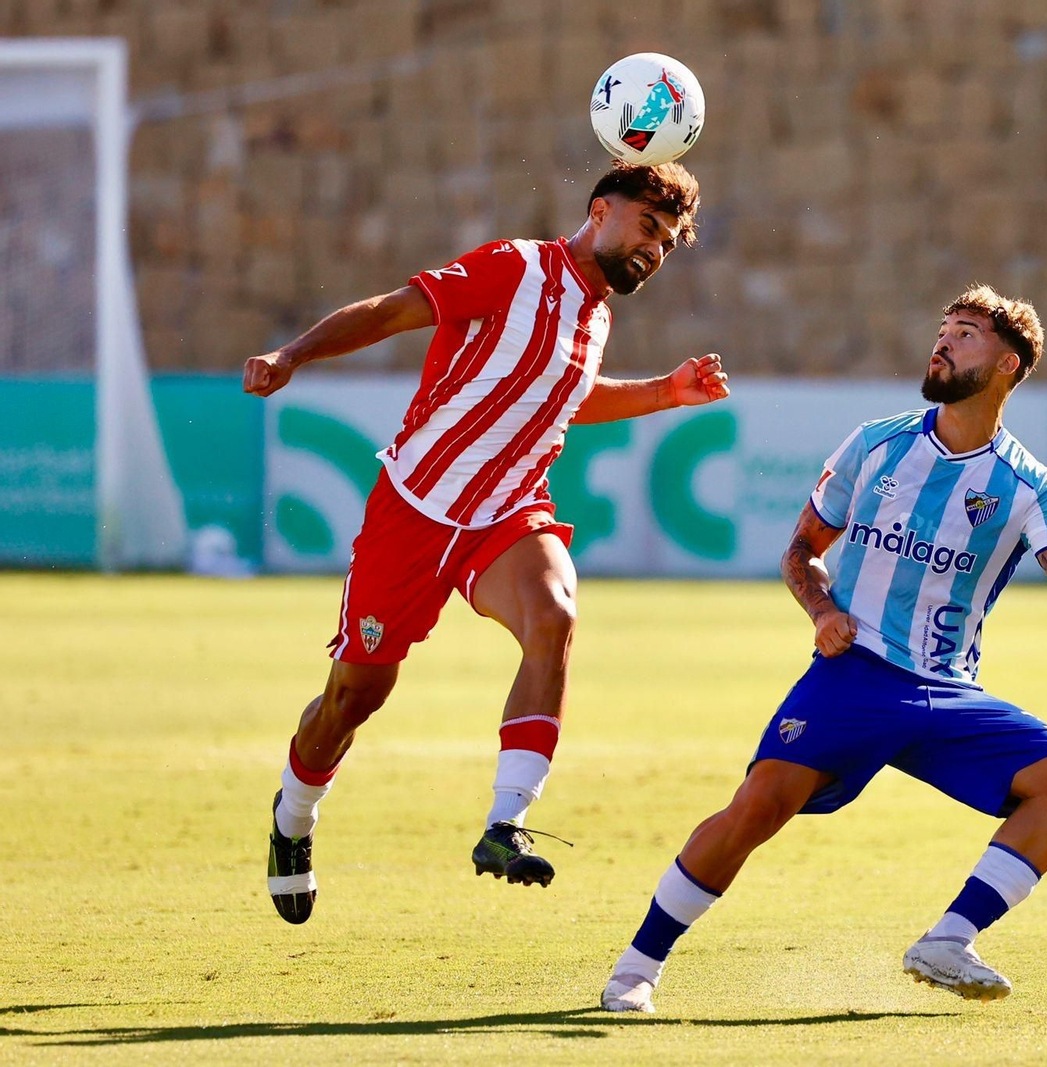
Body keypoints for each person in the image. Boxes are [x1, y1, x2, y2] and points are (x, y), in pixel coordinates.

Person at [599, 285, 1047, 1012]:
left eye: (966, 334)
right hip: (855, 673)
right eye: (944, 329)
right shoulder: (876, 444)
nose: (943, 342)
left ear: (1008, 363)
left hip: (946, 690)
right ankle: (636, 968)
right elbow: (800, 550)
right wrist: (821, 610)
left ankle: (949, 939)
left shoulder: (1030, 486)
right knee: (757, 808)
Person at [244, 161, 729, 925]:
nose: (654, 250)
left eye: (667, 242)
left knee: (555, 615)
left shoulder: (596, 316)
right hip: (413, 511)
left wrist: (665, 392)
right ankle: (293, 816)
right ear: (600, 210)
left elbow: (564, 398)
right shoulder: (514, 267)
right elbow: (392, 311)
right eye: (648, 227)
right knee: (354, 696)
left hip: (506, 513)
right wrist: (292, 355)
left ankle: (506, 822)